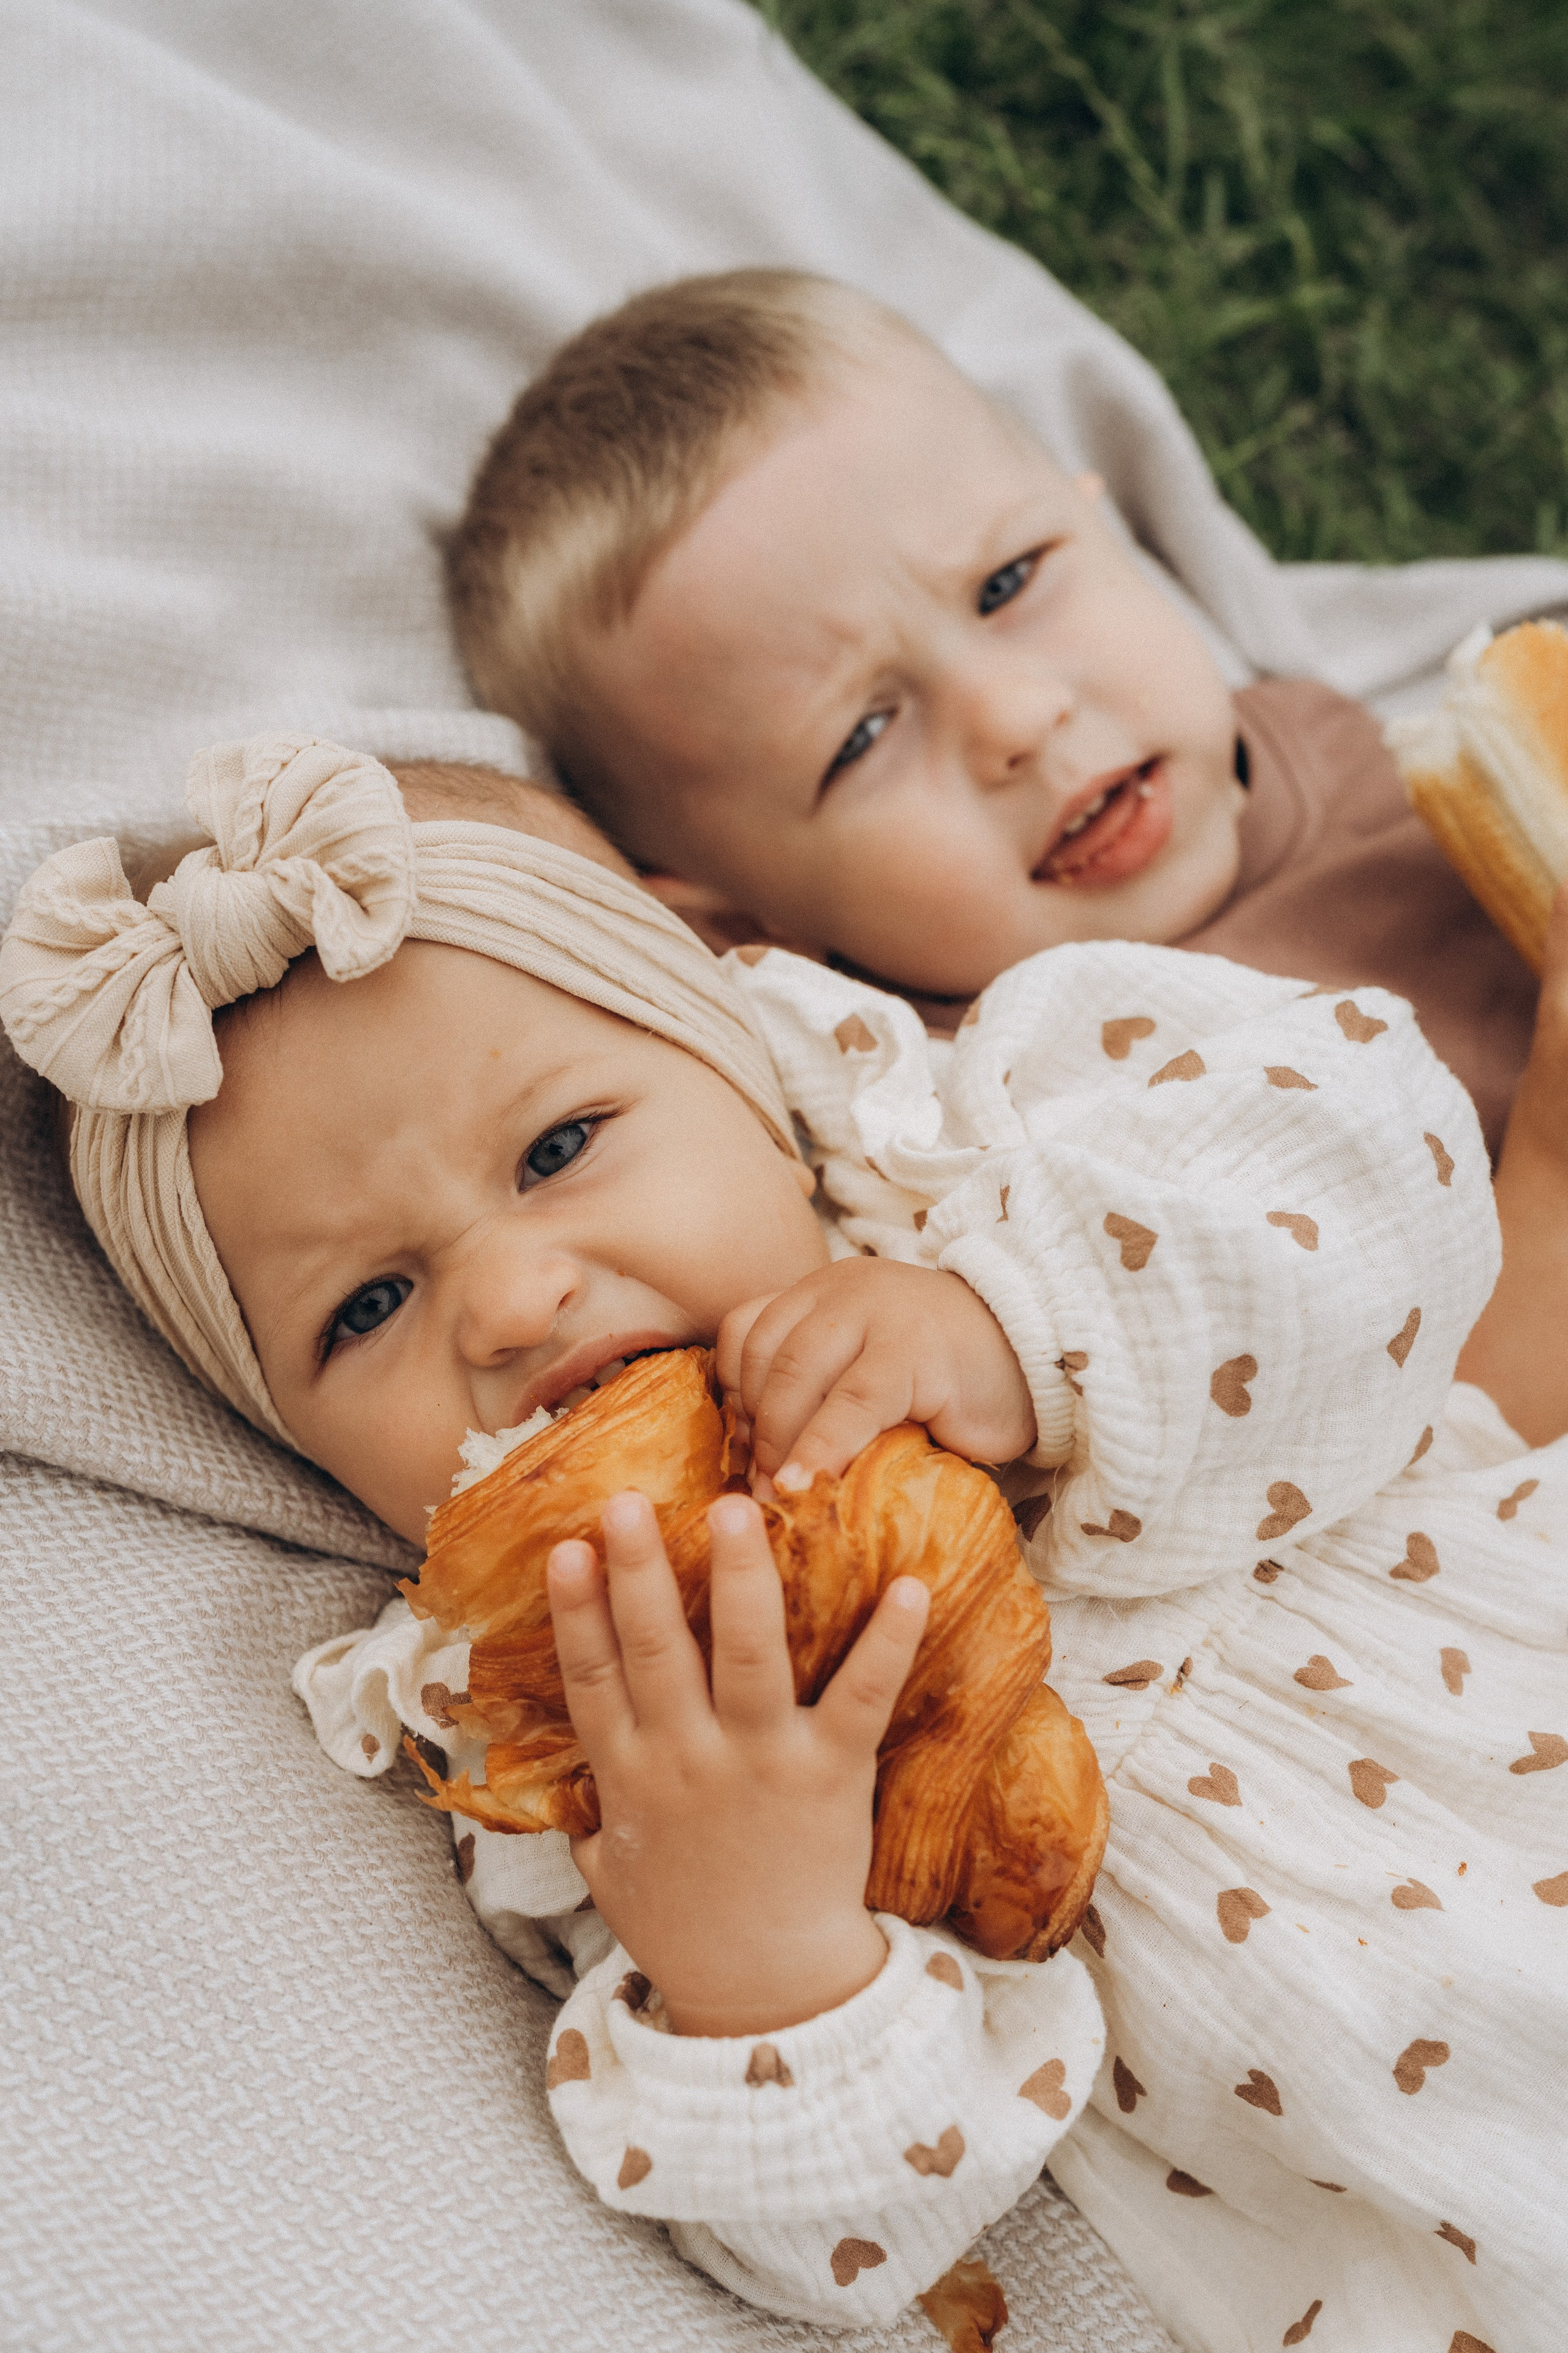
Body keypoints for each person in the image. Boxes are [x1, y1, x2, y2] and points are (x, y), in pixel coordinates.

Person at [2, 735, 1562, 2353]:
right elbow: (853, 2242)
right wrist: (758, 1958)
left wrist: (1021, 1325)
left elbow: (1389, 1149)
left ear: (749, 1081)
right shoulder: (566, 1748)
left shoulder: (982, 1144)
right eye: (367, 1306)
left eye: (558, 1148)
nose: (512, 1301)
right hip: (1408, 2173)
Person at [444, 268, 1538, 1168]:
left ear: (1102, 522)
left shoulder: (1370, 753)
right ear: (740, 921)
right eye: (862, 737)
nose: (1015, 718)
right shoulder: (955, 1135)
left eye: (1009, 581)